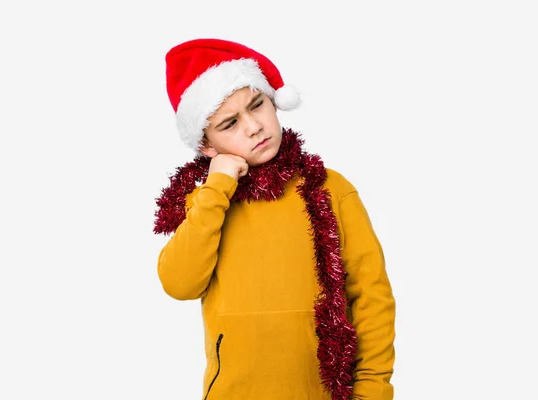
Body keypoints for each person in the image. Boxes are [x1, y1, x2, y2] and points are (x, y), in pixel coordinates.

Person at [153, 38, 396, 400]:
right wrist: (218, 187)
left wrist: (373, 390)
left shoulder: (330, 189)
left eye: (257, 105)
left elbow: (371, 297)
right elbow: (179, 283)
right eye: (230, 123)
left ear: (273, 102)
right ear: (206, 146)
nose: (253, 127)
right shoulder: (207, 202)